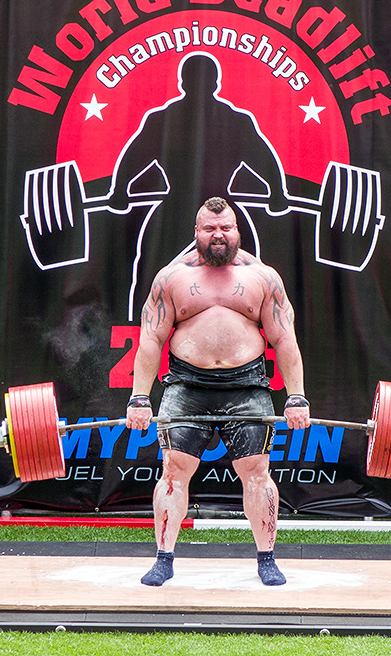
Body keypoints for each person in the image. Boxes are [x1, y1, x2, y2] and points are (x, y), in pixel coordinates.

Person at [125, 196, 311, 587]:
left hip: (246, 387)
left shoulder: (263, 278)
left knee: (257, 472)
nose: (218, 235)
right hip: (186, 385)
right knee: (174, 470)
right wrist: (139, 398)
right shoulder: (171, 278)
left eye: (226, 227)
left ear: (237, 231)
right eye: (210, 228)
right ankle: (163, 558)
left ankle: (267, 559)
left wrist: (296, 396)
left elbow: (285, 340)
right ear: (197, 232)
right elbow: (150, 340)